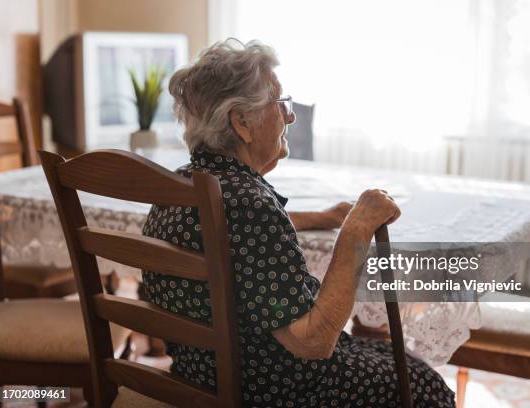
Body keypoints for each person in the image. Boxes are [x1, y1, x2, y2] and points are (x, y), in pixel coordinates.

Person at [142, 38, 455, 407]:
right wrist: (356, 231)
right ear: (241, 123)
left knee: (384, 354)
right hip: (273, 391)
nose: (290, 116)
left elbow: (233, 236)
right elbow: (314, 342)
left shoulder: (182, 186)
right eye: (280, 104)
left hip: (199, 374)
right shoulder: (251, 206)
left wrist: (319, 218)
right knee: (423, 383)